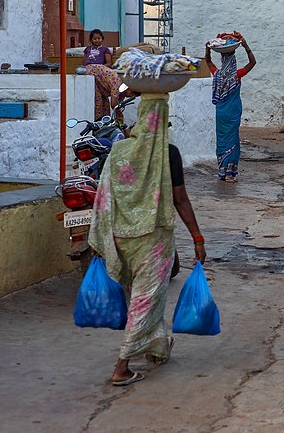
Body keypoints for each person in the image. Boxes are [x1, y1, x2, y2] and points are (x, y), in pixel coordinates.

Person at [88, 93, 206, 387]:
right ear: (163, 121)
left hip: (122, 237)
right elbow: (180, 199)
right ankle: (122, 366)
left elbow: (105, 197)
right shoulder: (169, 153)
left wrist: (101, 238)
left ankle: (157, 347)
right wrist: (197, 237)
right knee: (146, 299)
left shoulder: (119, 152)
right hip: (154, 238)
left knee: (141, 298)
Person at [205, 33, 256, 182]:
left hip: (221, 113)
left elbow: (208, 61)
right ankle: (229, 174)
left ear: (222, 60)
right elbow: (252, 62)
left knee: (222, 140)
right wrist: (246, 46)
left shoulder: (217, 74)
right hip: (233, 112)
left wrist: (207, 49)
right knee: (233, 140)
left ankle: (223, 170)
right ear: (233, 61)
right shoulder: (237, 75)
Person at [82, 29, 121, 122]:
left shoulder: (105, 49)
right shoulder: (87, 49)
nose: (97, 40)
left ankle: (105, 118)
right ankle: (96, 119)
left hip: (100, 72)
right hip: (90, 73)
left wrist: (98, 68)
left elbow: (109, 63)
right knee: (96, 95)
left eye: (99, 38)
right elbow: (84, 62)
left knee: (102, 96)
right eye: (94, 39)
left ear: (102, 39)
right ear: (91, 40)